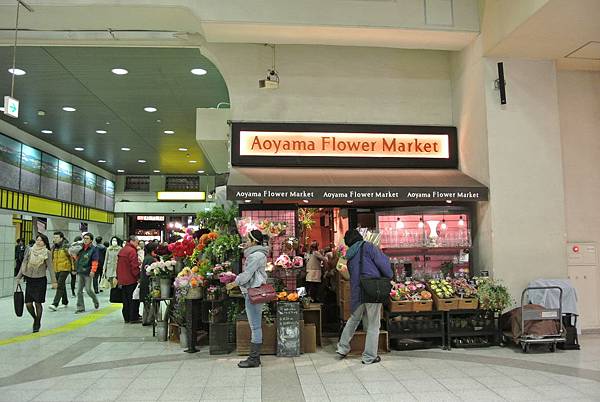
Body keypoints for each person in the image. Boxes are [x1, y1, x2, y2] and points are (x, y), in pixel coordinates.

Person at [336, 229, 392, 364]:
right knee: (373, 324)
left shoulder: (349, 255)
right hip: (372, 289)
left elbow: (347, 272)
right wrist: (389, 275)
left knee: (353, 319)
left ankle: (342, 348)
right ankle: (369, 356)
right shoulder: (369, 247)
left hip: (357, 291)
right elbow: (383, 264)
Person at [228, 230, 268, 368]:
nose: (245, 242)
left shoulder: (255, 256)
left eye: (247, 240)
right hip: (254, 291)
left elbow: (247, 275)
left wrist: (234, 282)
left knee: (255, 327)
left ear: (254, 241)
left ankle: (254, 358)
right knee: (255, 326)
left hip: (253, 292)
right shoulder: (258, 254)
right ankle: (254, 358)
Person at [15, 234, 57, 332]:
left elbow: (50, 267)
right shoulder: (30, 250)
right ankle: (35, 318)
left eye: (41, 240)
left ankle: (37, 322)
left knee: (38, 303)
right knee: (28, 304)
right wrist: (19, 276)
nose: (38, 242)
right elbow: (24, 263)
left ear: (44, 242)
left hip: (40, 280)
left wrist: (54, 281)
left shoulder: (47, 253)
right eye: (37, 240)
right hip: (30, 280)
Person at [116, 235, 142, 323]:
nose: (137, 244)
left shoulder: (122, 250)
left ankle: (126, 317)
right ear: (132, 241)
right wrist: (138, 276)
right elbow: (134, 266)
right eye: (137, 242)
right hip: (131, 279)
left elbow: (118, 265)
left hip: (123, 279)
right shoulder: (132, 251)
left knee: (125, 300)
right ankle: (133, 317)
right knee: (133, 299)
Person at [74, 232, 100, 313]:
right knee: (79, 291)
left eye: (87, 238)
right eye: (84, 238)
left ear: (91, 240)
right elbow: (76, 258)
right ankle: (80, 307)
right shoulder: (80, 248)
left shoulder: (93, 249)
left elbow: (95, 261)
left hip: (88, 272)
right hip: (80, 271)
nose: (85, 240)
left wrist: (93, 270)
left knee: (88, 289)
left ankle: (95, 300)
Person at [48, 232, 73, 311]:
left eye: (56, 237)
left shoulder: (66, 246)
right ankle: (65, 301)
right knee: (62, 285)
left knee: (59, 285)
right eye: (54, 237)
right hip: (56, 268)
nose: (54, 239)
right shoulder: (54, 247)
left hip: (65, 268)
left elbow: (72, 258)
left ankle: (55, 304)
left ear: (61, 238)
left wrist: (74, 268)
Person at [141, 242, 158, 326]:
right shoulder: (151, 259)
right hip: (149, 283)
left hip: (144, 282)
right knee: (152, 302)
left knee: (146, 302)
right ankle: (149, 319)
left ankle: (145, 320)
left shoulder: (146, 258)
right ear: (153, 250)